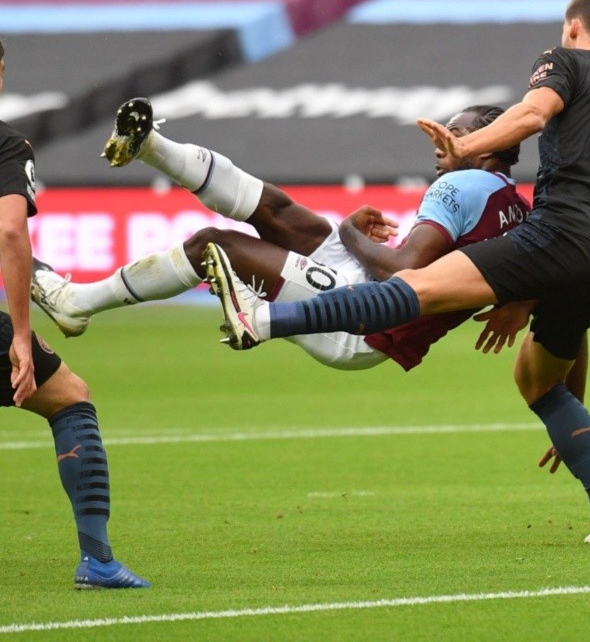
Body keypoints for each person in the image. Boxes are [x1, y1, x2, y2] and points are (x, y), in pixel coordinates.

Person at [203, 0, 590, 545]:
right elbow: (578, 303)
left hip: (558, 235)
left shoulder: (565, 60)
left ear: (574, 28)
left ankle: (263, 321)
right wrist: (534, 308)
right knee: (537, 380)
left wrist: (467, 147)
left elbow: (534, 112)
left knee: (416, 286)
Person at [31, 99, 534, 372]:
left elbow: (400, 273)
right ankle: (152, 146)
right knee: (278, 211)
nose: (441, 141)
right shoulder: (517, 207)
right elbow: (549, 266)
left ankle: (78, 303)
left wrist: (348, 232)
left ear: (487, 146)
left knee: (216, 245)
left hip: (362, 323)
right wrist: (524, 301)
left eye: (456, 133)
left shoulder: (460, 185)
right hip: (369, 298)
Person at [0, 40, 149, 589]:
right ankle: (98, 560)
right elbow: (10, 232)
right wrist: (20, 334)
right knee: (70, 398)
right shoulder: (6, 145)